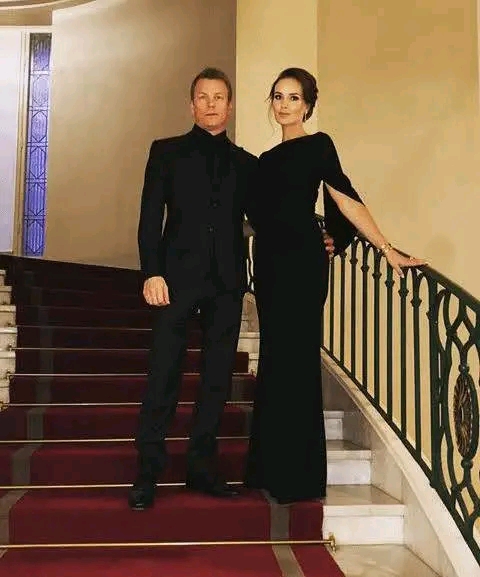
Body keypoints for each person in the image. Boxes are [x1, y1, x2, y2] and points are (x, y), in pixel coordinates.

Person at [244, 67, 425, 504]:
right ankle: (268, 469)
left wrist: (385, 248)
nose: (284, 105)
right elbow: (255, 216)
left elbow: (345, 197)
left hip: (302, 266)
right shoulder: (264, 160)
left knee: (298, 359)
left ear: (308, 105)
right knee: (275, 359)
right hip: (269, 265)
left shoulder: (318, 145)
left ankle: (299, 478)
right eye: (278, 96)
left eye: (293, 98)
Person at [128, 67, 260, 510]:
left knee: (217, 379)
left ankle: (202, 469)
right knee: (163, 373)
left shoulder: (247, 164)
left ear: (230, 106)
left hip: (226, 283)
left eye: (219, 97)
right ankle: (147, 472)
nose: (211, 104)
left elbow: (268, 218)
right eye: (203, 96)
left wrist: (323, 235)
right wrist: (151, 272)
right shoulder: (165, 152)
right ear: (191, 105)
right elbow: (150, 217)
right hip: (174, 280)